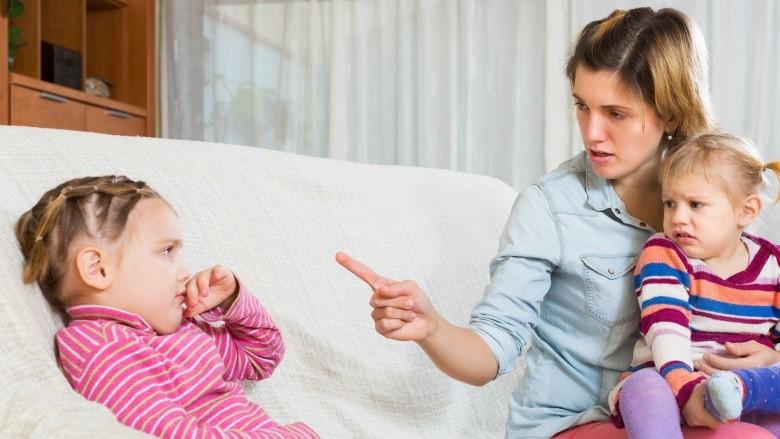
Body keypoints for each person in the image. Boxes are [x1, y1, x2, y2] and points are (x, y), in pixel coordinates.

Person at [336, 7, 778, 438]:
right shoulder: (549, 206)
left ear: (672, 114)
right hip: (576, 422)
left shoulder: (714, 195)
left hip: (684, 414)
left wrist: (768, 358)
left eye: (616, 113)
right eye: (582, 106)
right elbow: (493, 348)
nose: (592, 132)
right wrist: (432, 329)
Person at [15, 175, 318, 439]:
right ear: (98, 269)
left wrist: (232, 301)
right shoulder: (102, 348)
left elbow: (261, 357)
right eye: (167, 251)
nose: (185, 272)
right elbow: (171, 434)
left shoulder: (182, 327)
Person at [608, 133, 780, 439]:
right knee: (642, 388)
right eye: (670, 204)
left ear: (747, 210)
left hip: (744, 393)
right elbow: (665, 330)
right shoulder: (665, 253)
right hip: (670, 380)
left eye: (695, 204)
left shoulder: (774, 264)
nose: (678, 218)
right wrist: (685, 388)